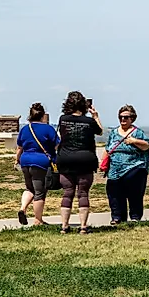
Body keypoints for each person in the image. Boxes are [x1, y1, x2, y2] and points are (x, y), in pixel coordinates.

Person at [55, 91, 102, 234]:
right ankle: (83, 226)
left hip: (66, 159)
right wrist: (95, 116)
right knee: (83, 194)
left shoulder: (63, 119)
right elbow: (99, 131)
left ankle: (64, 226)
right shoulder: (88, 122)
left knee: (67, 193)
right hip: (85, 159)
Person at [105, 105, 149, 224]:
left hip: (134, 166)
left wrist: (134, 141)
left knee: (134, 193)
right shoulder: (114, 133)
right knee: (114, 193)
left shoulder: (138, 132)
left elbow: (146, 145)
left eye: (126, 117)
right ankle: (117, 217)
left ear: (132, 118)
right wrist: (103, 163)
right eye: (120, 117)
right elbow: (108, 149)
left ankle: (135, 217)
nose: (123, 120)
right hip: (115, 169)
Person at [15, 102, 59, 226]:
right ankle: (38, 220)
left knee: (29, 188)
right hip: (41, 163)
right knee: (40, 192)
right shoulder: (48, 129)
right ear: (42, 115)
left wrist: (17, 160)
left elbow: (19, 147)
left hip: (25, 161)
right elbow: (57, 145)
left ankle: (23, 208)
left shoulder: (25, 129)